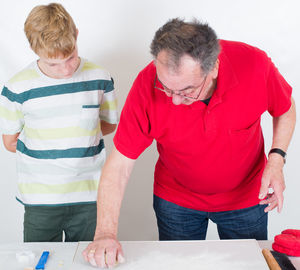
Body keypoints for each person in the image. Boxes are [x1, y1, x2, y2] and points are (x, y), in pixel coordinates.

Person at [83, 18, 296, 268]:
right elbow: (119, 165)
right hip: (177, 203)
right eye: (166, 88)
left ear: (214, 67)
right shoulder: (146, 83)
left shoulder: (254, 65)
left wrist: (276, 158)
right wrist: (105, 234)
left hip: (247, 199)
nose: (173, 101)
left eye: (186, 91)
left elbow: (285, 108)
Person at [0, 3, 118, 242]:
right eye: (54, 63)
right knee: (40, 260)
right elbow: (10, 142)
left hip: (89, 196)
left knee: (88, 260)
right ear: (35, 50)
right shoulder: (17, 88)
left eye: (71, 57)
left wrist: (79, 140)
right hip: (41, 201)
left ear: (76, 35)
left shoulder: (100, 78)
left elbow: (108, 124)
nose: (65, 70)